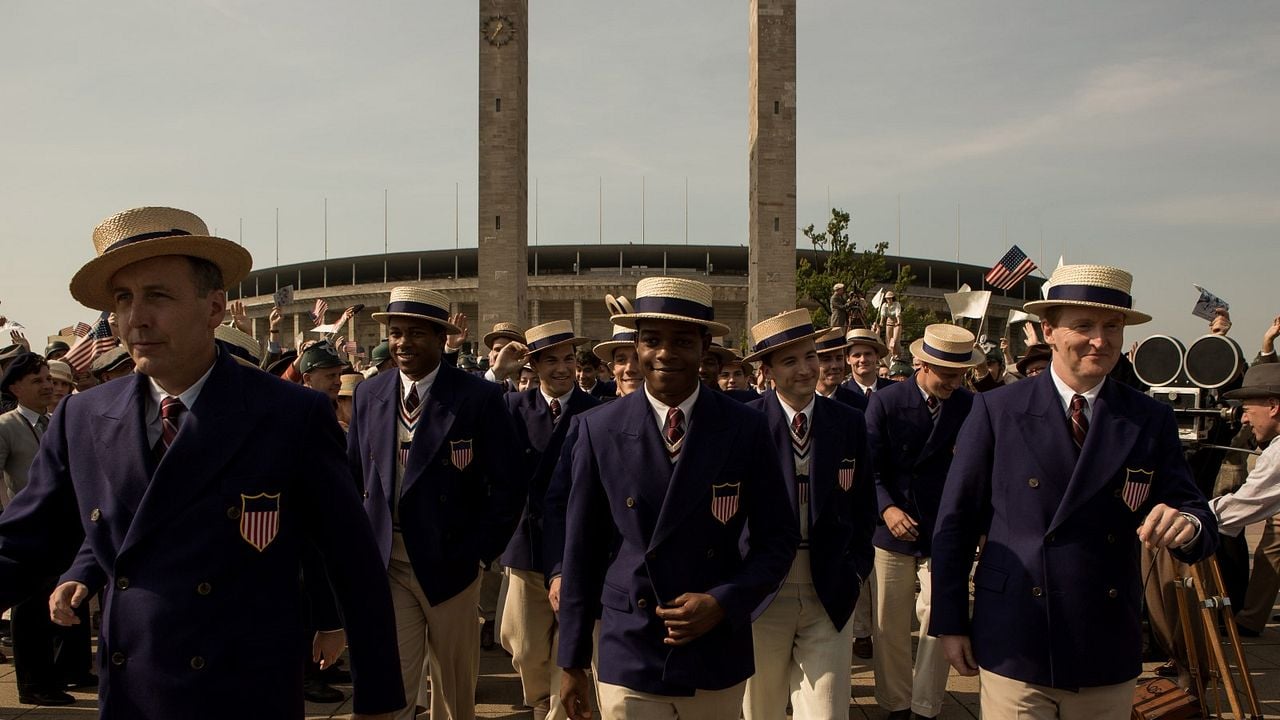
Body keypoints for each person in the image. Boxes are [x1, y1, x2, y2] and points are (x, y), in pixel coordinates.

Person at [0, 206, 404, 719]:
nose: (135, 318)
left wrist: (377, 699)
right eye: (123, 299)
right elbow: (23, 542)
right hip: (135, 690)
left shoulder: (288, 414)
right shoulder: (82, 415)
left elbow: (352, 561)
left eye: (158, 295)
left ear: (215, 307)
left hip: (243, 689)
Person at [929, 264, 1218, 720]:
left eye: (1112, 327)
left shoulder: (1149, 418)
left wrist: (1188, 524)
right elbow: (956, 523)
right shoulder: (996, 409)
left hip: (1104, 639)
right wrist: (948, 621)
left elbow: (1193, 508)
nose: (1099, 341)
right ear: (1049, 331)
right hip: (1016, 638)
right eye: (1083, 326)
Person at [558, 276, 798, 720]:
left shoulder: (745, 428)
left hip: (714, 646)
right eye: (652, 340)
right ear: (636, 346)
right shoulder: (598, 428)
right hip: (630, 641)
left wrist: (725, 600)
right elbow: (582, 551)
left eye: (682, 341)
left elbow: (778, 539)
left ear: (704, 348)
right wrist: (571, 661)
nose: (665, 353)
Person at [347, 285, 525, 720]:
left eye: (417, 333)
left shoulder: (477, 396)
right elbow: (354, 476)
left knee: (453, 687)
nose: (404, 343)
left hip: (451, 561)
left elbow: (508, 484)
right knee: (393, 684)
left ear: (442, 337)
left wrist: (481, 552)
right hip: (391, 557)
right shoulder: (371, 394)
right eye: (396, 332)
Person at [741, 310, 875, 720]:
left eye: (810, 356)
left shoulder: (848, 421)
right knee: (760, 708)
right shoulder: (746, 422)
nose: (806, 369)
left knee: (828, 710)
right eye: (790, 361)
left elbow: (864, 506)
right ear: (766, 371)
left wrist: (856, 570)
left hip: (830, 584)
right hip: (764, 589)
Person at [865, 324, 983, 720]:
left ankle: (925, 705)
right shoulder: (886, 402)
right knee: (888, 624)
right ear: (923, 364)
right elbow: (870, 467)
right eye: (947, 374)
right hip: (892, 528)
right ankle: (896, 703)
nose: (954, 382)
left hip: (945, 531)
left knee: (940, 616)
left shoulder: (970, 406)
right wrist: (887, 509)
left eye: (961, 374)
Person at [502, 320, 601, 720]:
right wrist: (500, 372)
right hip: (527, 547)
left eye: (569, 359)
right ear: (534, 366)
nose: (562, 368)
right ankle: (540, 698)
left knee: (570, 643)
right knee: (525, 647)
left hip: (576, 545)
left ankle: (558, 712)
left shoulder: (597, 412)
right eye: (551, 361)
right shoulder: (513, 407)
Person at [841, 328, 893, 399]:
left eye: (868, 354)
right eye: (857, 355)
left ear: (877, 356)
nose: (863, 360)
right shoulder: (840, 395)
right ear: (848, 359)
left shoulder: (894, 390)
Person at [878, 291, 903, 356]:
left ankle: (897, 354)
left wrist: (898, 322)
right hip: (888, 323)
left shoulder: (896, 304)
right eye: (887, 298)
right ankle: (890, 354)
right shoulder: (884, 305)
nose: (889, 300)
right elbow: (882, 315)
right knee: (888, 340)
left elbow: (898, 313)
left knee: (895, 340)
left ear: (893, 298)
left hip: (896, 323)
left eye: (890, 298)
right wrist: (881, 323)